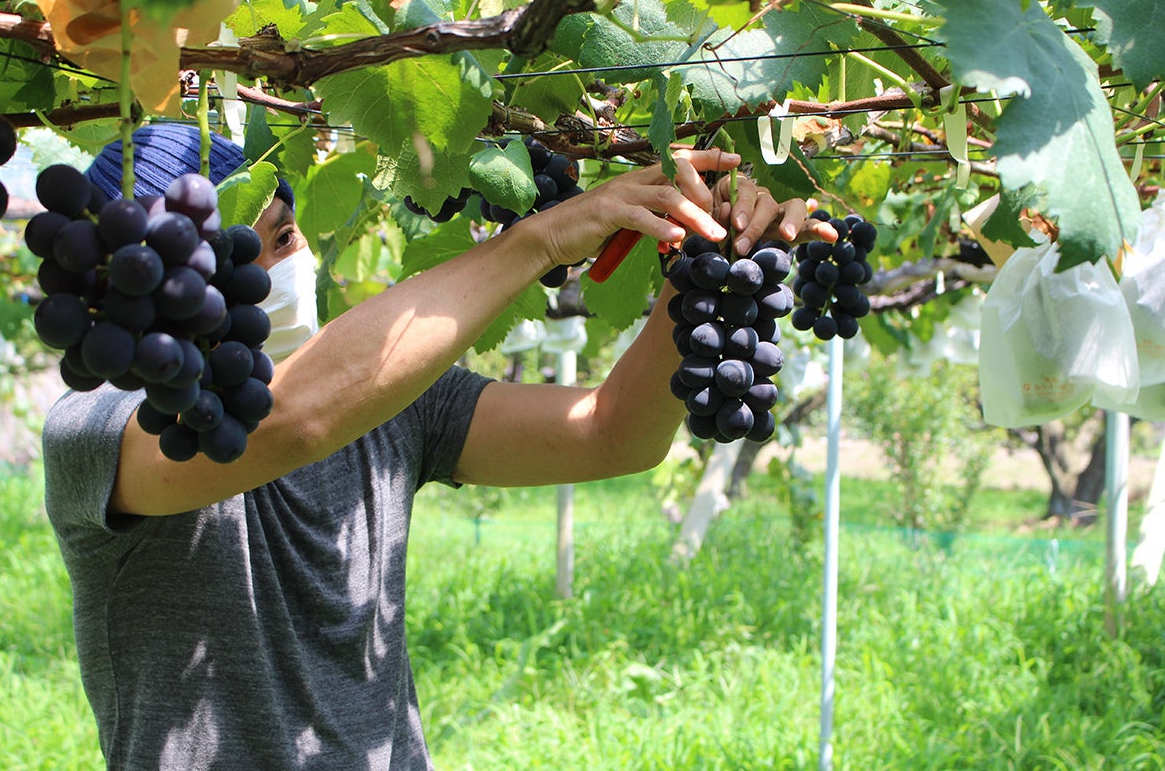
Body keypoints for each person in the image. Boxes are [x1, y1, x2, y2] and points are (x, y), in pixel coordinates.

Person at [42, 122, 836, 770]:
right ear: (152, 279)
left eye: (285, 235)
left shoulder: (391, 405)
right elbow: (290, 422)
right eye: (254, 252)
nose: (287, 265)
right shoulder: (98, 431)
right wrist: (537, 241)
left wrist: (703, 261)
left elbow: (610, 433)